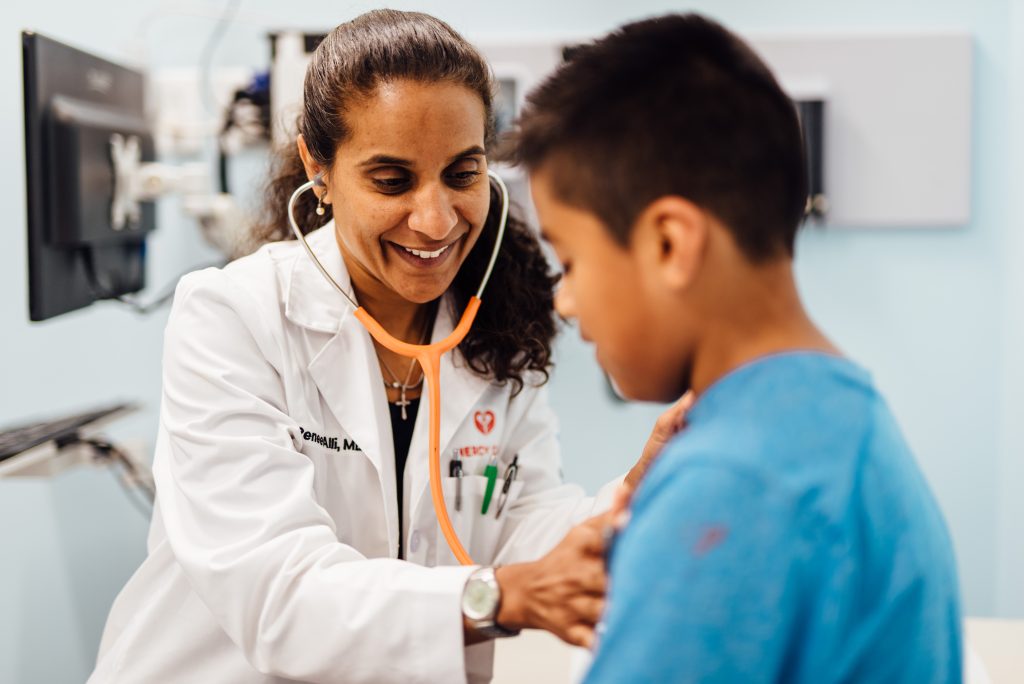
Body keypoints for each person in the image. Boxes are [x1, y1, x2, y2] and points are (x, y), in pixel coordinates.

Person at [88, 10, 673, 684]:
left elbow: (524, 527)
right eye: (391, 181)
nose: (435, 219)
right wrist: (496, 598)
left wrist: (633, 493)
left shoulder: (494, 327)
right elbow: (281, 598)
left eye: (462, 174)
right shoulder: (233, 318)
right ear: (320, 167)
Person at [507, 13, 963, 683]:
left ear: (670, 244)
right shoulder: (847, 423)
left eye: (571, 262)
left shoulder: (731, 491)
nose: (565, 302)